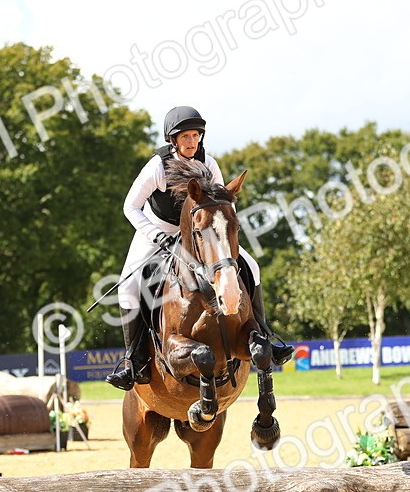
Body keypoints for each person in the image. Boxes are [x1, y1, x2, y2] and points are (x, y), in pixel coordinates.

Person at [106, 105, 293, 390]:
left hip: (200, 233)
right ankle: (134, 361)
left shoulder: (209, 163)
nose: (192, 142)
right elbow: (130, 207)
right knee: (128, 287)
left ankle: (264, 334)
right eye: (185, 137)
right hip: (156, 230)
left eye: (195, 135)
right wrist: (157, 236)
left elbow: (217, 205)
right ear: (173, 140)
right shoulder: (157, 166)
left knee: (251, 265)